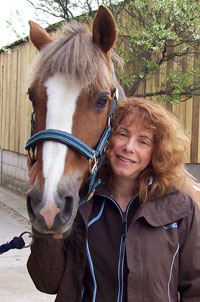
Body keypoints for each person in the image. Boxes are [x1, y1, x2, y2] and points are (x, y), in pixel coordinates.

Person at [27, 97, 200, 302]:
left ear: (157, 151)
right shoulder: (82, 202)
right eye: (122, 134)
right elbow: (47, 282)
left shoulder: (178, 206)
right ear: (107, 139)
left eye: (143, 141)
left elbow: (195, 287)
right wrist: (49, 216)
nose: (128, 147)